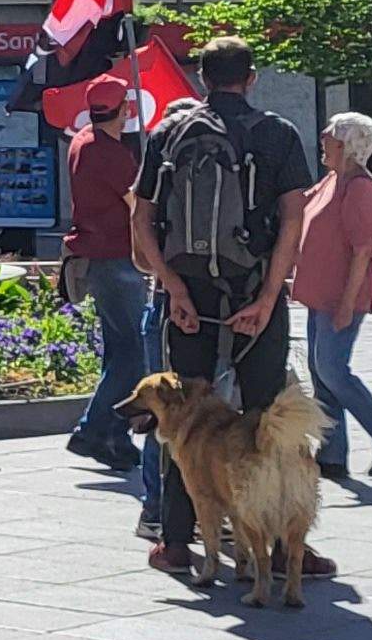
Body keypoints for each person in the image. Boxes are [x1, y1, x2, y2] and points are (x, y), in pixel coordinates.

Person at [127, 36, 324, 579]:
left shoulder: (168, 132)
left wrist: (174, 288)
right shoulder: (277, 133)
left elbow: (142, 217)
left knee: (180, 421)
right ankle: (287, 549)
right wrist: (268, 297)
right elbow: (293, 218)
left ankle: (173, 542)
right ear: (251, 77)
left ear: (202, 78)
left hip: (188, 297)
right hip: (253, 292)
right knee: (268, 421)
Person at [295, 112, 372, 480]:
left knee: (333, 370)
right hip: (319, 293)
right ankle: (332, 455)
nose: (323, 140)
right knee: (321, 373)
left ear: (349, 146)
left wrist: (346, 303)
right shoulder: (332, 179)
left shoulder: (359, 188)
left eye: (331, 138)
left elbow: (363, 251)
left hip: (341, 296)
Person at [60, 77, 153, 474]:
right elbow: (137, 205)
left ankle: (113, 435)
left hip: (99, 257)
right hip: (118, 258)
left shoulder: (82, 141)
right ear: (125, 111)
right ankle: (94, 428)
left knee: (119, 351)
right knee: (134, 351)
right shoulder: (112, 155)